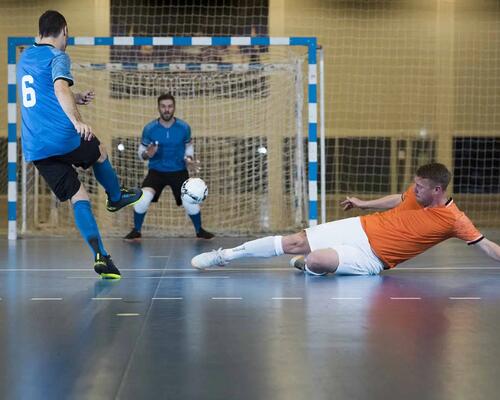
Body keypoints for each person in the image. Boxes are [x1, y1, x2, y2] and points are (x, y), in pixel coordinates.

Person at [191, 163, 500, 274]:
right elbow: (399, 198)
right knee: (295, 241)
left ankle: (305, 264)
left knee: (314, 261)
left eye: (420, 187)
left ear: (437, 189)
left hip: (373, 258)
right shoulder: (416, 193)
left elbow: (486, 246)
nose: (414, 189)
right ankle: (224, 256)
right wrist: (364, 203)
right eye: (414, 184)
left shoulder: (455, 220)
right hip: (359, 228)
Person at [17, 10, 142, 279]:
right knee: (99, 151)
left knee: (79, 197)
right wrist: (77, 121)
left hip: (36, 146)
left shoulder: (26, 55)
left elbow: (45, 91)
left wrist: (76, 96)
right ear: (64, 30)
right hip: (61, 135)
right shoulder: (58, 56)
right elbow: (59, 88)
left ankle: (101, 257)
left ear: (39, 32)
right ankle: (116, 198)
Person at [123, 93, 214, 241]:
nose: (167, 109)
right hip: (156, 172)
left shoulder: (184, 128)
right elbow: (141, 154)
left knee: (190, 201)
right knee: (143, 199)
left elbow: (188, 147)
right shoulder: (149, 129)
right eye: (163, 106)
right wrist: (147, 154)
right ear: (158, 108)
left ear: (174, 108)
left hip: (179, 171)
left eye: (170, 106)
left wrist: (189, 159)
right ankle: (136, 231)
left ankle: (199, 231)